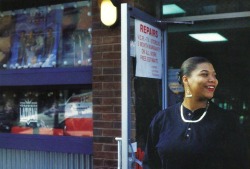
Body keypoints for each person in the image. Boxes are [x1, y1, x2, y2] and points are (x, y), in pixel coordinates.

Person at [142, 56, 248, 169]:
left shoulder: (227, 121)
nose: (213, 80)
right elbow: (150, 163)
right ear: (186, 80)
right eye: (205, 74)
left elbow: (240, 164)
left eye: (214, 75)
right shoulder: (162, 119)